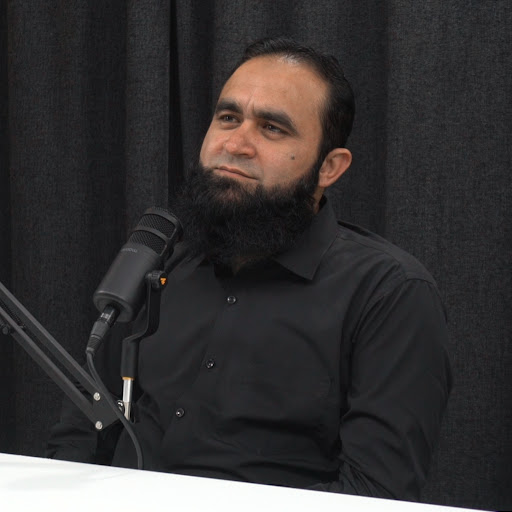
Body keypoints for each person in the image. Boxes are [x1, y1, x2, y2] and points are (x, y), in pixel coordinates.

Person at [47, 37, 452, 501]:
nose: (235, 144)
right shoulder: (159, 266)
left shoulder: (389, 294)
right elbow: (79, 438)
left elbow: (374, 494)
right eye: (228, 118)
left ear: (329, 168)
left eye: (273, 128)